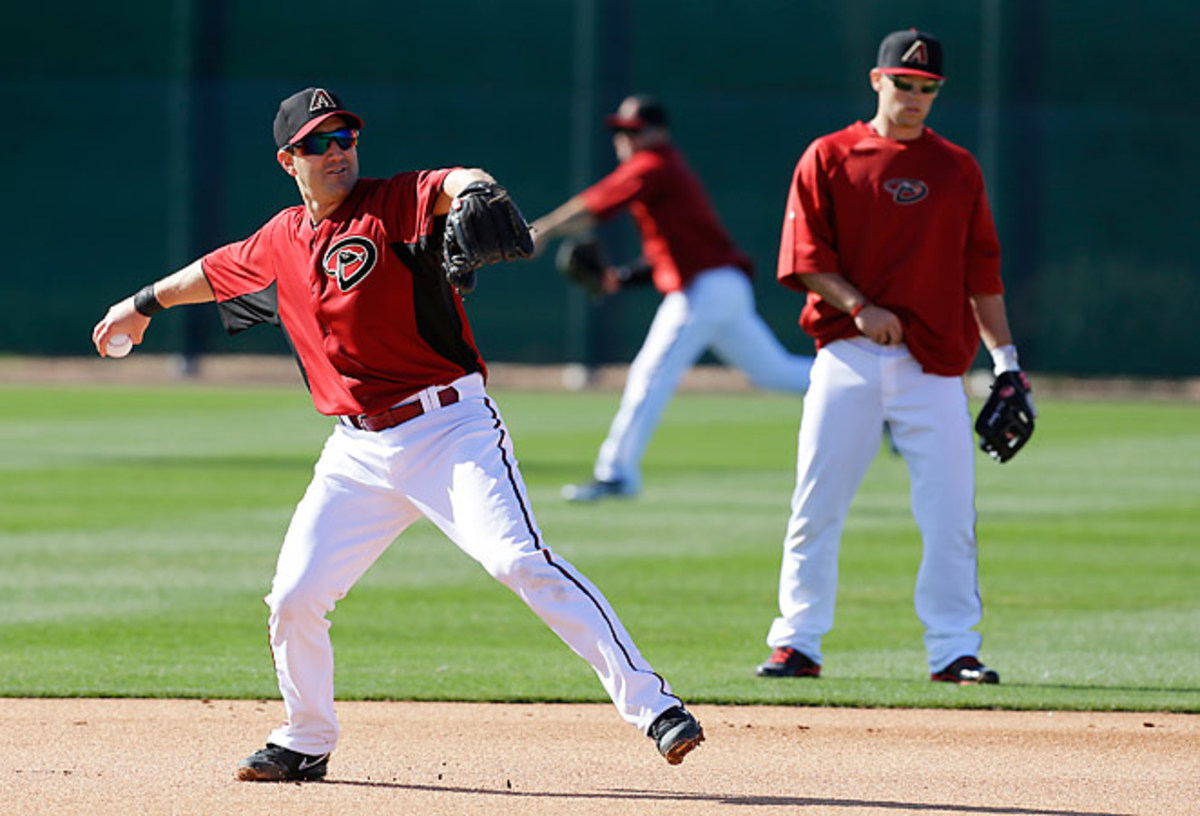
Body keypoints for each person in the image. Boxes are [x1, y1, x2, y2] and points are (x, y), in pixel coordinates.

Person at [92, 86, 704, 780]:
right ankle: (306, 737)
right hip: (356, 452)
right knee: (294, 596)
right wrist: (136, 306)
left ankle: (654, 706)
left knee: (518, 560)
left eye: (346, 138)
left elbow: (454, 181)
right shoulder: (280, 240)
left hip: (450, 430)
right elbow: (211, 271)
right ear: (288, 159)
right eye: (320, 143)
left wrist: (478, 189)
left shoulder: (393, 201)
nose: (338, 152)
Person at [756, 30, 1031, 685]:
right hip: (848, 356)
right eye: (902, 83)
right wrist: (859, 306)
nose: (913, 96)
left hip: (932, 366)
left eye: (926, 88)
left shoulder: (958, 168)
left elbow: (981, 272)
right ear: (877, 80)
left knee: (949, 516)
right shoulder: (830, 156)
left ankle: (954, 650)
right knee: (815, 505)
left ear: (938, 93)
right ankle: (797, 642)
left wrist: (1007, 362)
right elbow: (804, 258)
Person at [530, 94, 814, 502]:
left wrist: (542, 229)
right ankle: (872, 389)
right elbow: (670, 253)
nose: (625, 139)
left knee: (650, 375)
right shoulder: (664, 170)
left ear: (659, 133)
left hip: (706, 289)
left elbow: (596, 205)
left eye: (634, 130)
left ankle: (616, 474)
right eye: (620, 131)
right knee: (774, 372)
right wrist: (621, 279)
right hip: (718, 284)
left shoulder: (655, 164)